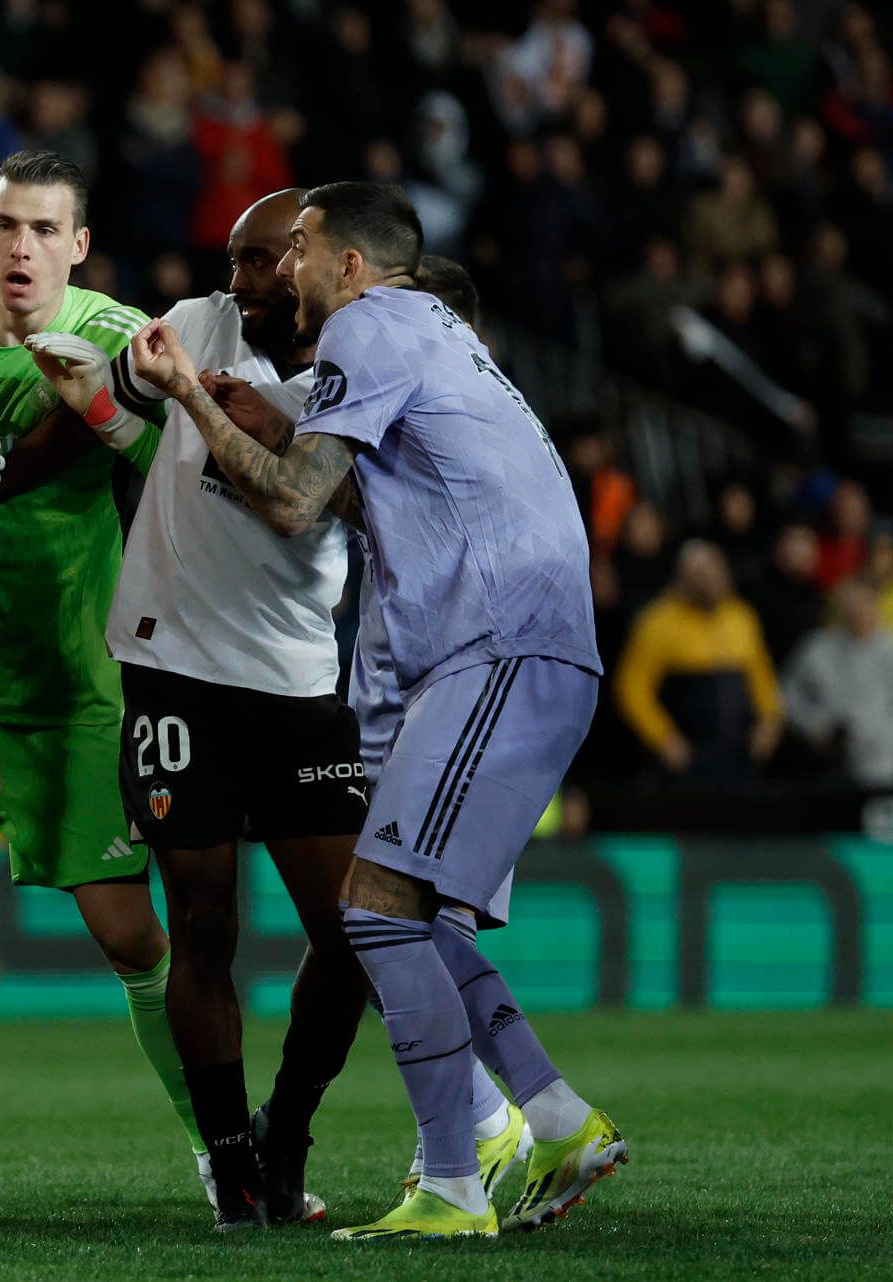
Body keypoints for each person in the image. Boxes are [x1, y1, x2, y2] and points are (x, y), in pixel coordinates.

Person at [121, 181, 624, 1239]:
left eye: (297, 247)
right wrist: (277, 415)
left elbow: (294, 501)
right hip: (510, 645)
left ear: (349, 265)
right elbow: (365, 490)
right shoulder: (426, 330)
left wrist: (195, 399)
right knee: (402, 907)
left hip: (497, 641)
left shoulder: (368, 324)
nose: (283, 267)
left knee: (377, 909)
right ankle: (552, 1116)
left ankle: (454, 1176)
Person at [28, 186, 365, 1230]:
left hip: (303, 683)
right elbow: (106, 419)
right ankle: (232, 1169)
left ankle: (288, 1125)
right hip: (174, 675)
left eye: (265, 260)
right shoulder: (196, 325)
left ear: (320, 263)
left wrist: (193, 398)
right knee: (203, 924)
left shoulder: (367, 375)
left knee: (353, 933)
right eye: (235, 259)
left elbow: (295, 500)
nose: (243, 281)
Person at [0, 149, 219, 1206]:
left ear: (79, 246)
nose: (21, 250)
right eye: (5, 228)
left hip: (81, 682)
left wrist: (92, 410)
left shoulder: (110, 338)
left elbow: (182, 473)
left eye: (45, 231)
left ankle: (218, 1150)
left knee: (129, 933)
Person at [353, 255, 534, 1205]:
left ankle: (488, 1136)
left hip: (453, 712)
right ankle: (489, 1128)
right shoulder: (468, 424)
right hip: (409, 711)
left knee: (411, 929)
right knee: (398, 934)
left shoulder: (449, 417)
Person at [613, 540, 783, 781]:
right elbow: (631, 689)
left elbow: (762, 678)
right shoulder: (658, 622)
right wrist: (664, 739)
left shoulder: (741, 617)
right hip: (687, 757)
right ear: (681, 577)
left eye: (715, 572)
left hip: (740, 754)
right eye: (700, 574)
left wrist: (770, 722)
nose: (709, 580)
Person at [781, 577, 893, 789]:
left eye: (865, 603)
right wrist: (814, 727)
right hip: (825, 759)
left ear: (876, 607)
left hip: (884, 762)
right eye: (851, 605)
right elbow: (788, 696)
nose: (858, 611)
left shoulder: (890, 649)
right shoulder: (816, 647)